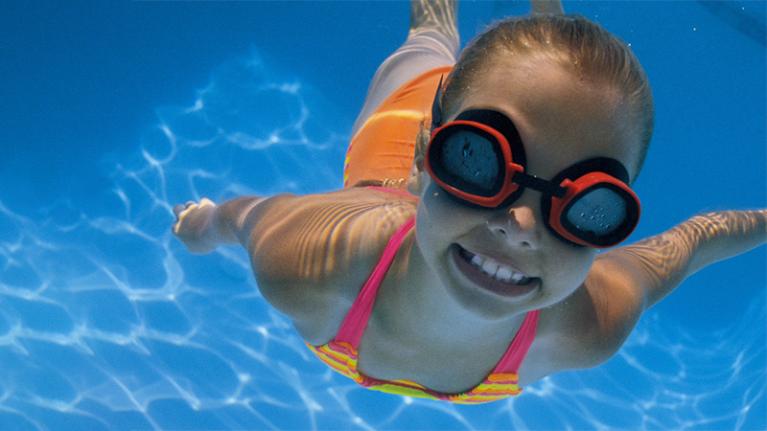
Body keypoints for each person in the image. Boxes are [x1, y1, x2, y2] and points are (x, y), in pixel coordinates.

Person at [171, 0, 766, 404]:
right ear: (428, 151)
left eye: (587, 205)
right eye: (477, 162)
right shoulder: (310, 262)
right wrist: (206, 225)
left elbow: (690, 244)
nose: (522, 227)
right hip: (390, 144)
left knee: (530, 79)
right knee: (431, 35)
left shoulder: (588, 326)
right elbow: (243, 217)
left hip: (462, 123)